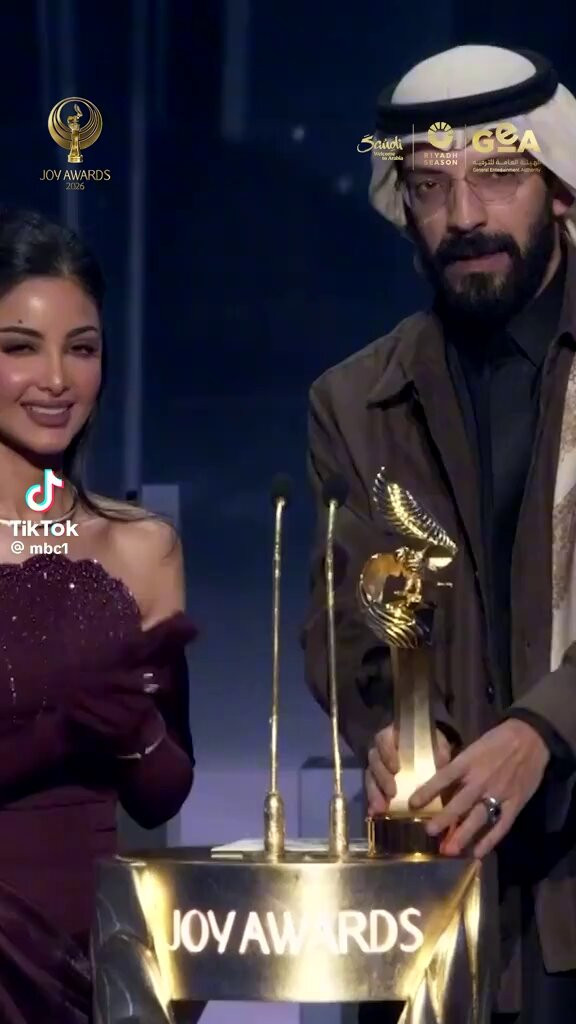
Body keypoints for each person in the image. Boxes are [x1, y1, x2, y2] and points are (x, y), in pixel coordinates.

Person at [302, 45, 576, 1023]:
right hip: (434, 905)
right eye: (431, 186)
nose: (464, 216)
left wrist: (544, 729)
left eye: (497, 175)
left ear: (559, 186)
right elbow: (347, 624)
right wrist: (400, 732)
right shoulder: (354, 401)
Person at [0, 207, 196, 1022]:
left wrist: (135, 727)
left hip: (92, 962)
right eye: (20, 347)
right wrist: (57, 730)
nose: (56, 379)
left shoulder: (142, 548)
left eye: (80, 348)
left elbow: (162, 795)